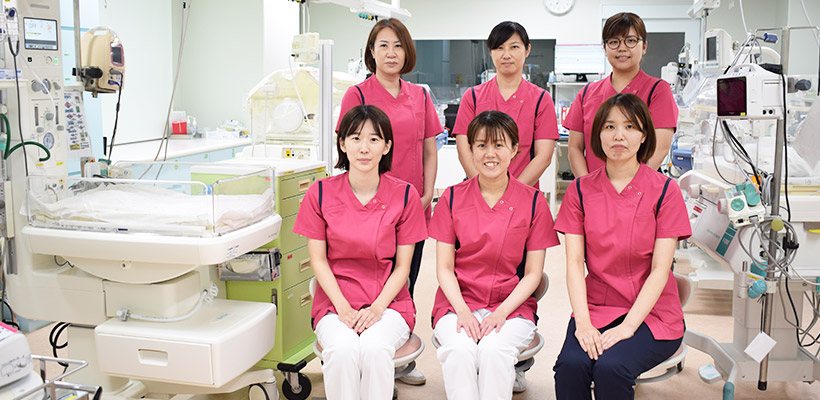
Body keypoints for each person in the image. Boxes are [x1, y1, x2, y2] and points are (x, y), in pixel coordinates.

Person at [552, 94, 692, 400]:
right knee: (570, 366)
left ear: (644, 136)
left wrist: (629, 326)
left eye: (630, 127)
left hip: (652, 314)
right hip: (597, 308)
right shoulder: (580, 191)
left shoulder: (665, 191)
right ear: (598, 135)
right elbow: (574, 264)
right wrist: (583, 323)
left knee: (611, 367)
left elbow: (660, 269)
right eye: (610, 126)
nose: (619, 135)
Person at [294, 105, 427, 400]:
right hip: (334, 304)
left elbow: (403, 268)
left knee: (374, 348)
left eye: (374, 139)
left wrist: (377, 309)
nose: (364, 148)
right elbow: (318, 261)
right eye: (355, 138)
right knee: (342, 350)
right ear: (342, 144)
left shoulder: (405, 196)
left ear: (386, 146)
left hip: (389, 304)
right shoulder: (320, 193)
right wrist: (343, 308)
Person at [337, 18, 442, 385]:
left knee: (405, 283)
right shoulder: (358, 95)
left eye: (398, 45)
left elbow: (429, 151)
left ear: (407, 51)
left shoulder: (420, 96)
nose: (391, 52)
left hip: (412, 208)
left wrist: (426, 194)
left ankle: (400, 361)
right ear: (371, 52)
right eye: (383, 45)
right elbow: (349, 150)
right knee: (367, 278)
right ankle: (364, 353)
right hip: (368, 209)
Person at [430, 110, 560, 399]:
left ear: (514, 150)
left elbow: (533, 274)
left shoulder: (533, 202)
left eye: (499, 145)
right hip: (457, 304)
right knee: (459, 349)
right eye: (481, 145)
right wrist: (463, 311)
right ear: (471, 150)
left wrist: (501, 313)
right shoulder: (451, 198)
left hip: (511, 306)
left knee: (494, 350)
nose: (490, 153)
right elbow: (444, 268)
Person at [565, 12, 678, 177]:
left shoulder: (658, 90)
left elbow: (659, 148)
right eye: (614, 42)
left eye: (631, 41)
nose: (622, 48)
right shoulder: (587, 94)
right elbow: (575, 147)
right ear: (605, 48)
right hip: (593, 188)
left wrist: (628, 187)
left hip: (639, 187)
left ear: (644, 47)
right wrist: (586, 186)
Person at [453, 21, 559, 188]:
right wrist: (485, 189)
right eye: (499, 48)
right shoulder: (472, 97)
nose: (506, 55)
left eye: (514, 47)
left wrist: (513, 193)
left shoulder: (541, 100)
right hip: (478, 191)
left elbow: (543, 156)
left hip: (523, 191)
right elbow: (464, 151)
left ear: (527, 50)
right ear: (491, 52)